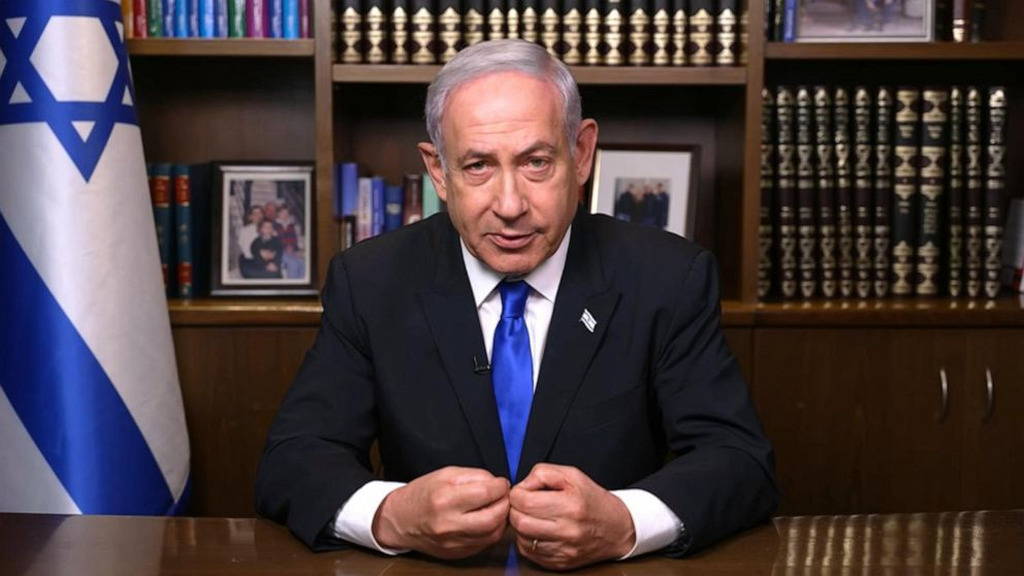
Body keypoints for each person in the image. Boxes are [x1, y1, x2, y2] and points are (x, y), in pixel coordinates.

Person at [255, 39, 777, 570]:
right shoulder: (369, 281)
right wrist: (391, 513)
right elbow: (293, 461)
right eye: (478, 165)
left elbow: (739, 462)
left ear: (581, 154)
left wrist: (623, 523)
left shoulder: (668, 278)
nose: (509, 206)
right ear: (438, 172)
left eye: (536, 162)